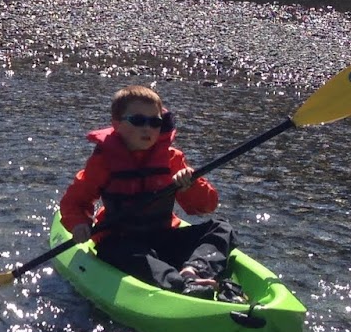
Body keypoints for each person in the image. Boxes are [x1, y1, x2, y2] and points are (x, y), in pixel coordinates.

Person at [58, 84, 240, 299]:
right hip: (122, 241)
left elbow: (206, 206)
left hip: (163, 237)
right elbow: (74, 203)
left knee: (221, 228)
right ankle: (179, 284)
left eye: (155, 122)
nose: (148, 128)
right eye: (138, 120)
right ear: (117, 124)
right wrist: (79, 223)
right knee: (126, 254)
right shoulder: (103, 162)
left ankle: (194, 271)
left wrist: (191, 185)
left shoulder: (172, 159)